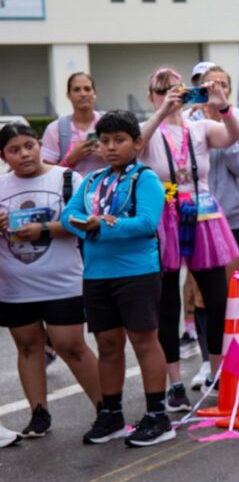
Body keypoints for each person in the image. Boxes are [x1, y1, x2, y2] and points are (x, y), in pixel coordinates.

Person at [62, 110, 173, 447]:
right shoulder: (93, 181)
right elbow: (69, 217)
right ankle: (110, 414)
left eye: (119, 140)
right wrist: (89, 223)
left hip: (136, 273)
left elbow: (146, 223)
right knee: (108, 344)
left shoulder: (145, 179)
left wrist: (101, 226)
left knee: (144, 340)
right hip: (97, 274)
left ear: (137, 143)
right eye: (105, 140)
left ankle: (157, 415)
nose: (111, 147)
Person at [139, 67, 239, 413]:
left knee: (217, 299)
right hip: (164, 218)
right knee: (166, 302)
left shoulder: (199, 128)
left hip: (203, 216)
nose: (171, 94)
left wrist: (222, 106)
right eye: (161, 89)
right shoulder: (149, 130)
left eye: (176, 89)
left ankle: (216, 373)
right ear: (151, 95)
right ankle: (175, 383)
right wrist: (161, 112)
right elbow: (136, 144)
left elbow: (234, 135)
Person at [0, 123, 101, 438]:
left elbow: (88, 223)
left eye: (28, 145)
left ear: (39, 144)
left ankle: (107, 408)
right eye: (14, 150)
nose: (24, 154)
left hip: (64, 282)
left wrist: (43, 229)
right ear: (3, 156)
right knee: (29, 348)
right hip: (15, 286)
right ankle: (38, 414)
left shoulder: (68, 178)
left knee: (71, 346)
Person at [185, 64, 239, 389]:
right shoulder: (186, 122)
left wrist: (225, 128)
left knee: (230, 293)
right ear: (198, 89)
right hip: (196, 220)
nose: (217, 90)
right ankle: (207, 361)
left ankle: (233, 359)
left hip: (233, 217)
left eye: (223, 85)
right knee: (201, 294)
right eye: (209, 85)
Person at [41, 72, 106, 176]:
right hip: (71, 190)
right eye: (76, 90)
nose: (83, 94)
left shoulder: (110, 123)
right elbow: (47, 174)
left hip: (108, 189)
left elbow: (129, 160)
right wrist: (71, 158)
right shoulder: (55, 129)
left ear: (95, 94)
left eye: (87, 89)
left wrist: (108, 153)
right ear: (68, 95)